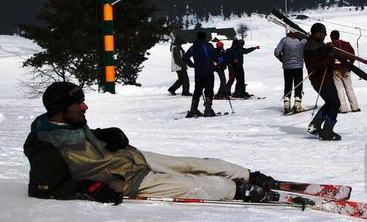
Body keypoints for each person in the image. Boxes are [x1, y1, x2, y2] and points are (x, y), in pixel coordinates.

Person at [24, 82, 277, 204]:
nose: (84, 106)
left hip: (132, 158)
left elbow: (83, 141)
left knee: (192, 162)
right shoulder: (45, 148)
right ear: (59, 109)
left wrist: (108, 134)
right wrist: (87, 188)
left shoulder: (66, 123)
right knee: (193, 185)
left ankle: (247, 176)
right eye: (77, 103)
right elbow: (42, 188)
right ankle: (236, 189)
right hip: (128, 180)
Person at [303, 23, 343, 141]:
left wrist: (328, 49)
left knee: (330, 103)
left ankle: (314, 125)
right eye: (323, 32)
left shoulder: (316, 44)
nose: (325, 35)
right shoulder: (311, 46)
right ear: (316, 33)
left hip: (323, 79)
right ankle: (327, 132)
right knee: (335, 104)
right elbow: (316, 65)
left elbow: (321, 51)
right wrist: (330, 56)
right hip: (321, 80)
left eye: (325, 32)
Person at [182, 31, 217, 118]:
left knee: (197, 91)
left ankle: (193, 110)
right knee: (209, 90)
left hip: (198, 73)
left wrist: (192, 65)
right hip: (208, 72)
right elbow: (214, 57)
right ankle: (208, 110)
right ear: (205, 37)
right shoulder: (208, 45)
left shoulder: (193, 47)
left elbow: (185, 57)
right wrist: (220, 62)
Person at [329, 30, 360, 113]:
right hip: (346, 69)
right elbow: (352, 56)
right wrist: (349, 66)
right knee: (349, 89)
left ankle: (343, 108)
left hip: (335, 70)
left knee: (339, 89)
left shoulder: (330, 45)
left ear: (332, 36)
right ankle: (355, 107)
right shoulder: (346, 44)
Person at [274, 31, 305, 113]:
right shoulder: (302, 40)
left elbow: (276, 52)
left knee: (288, 84)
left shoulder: (284, 40)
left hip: (287, 67)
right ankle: (297, 104)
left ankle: (287, 104)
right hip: (298, 67)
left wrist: (282, 59)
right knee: (298, 84)